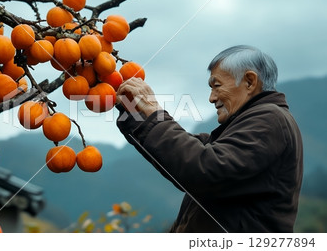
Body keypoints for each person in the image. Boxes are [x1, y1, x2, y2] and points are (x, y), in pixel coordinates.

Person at [116, 45, 303, 232]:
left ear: (250, 82)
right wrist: (134, 114)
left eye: (217, 86)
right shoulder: (244, 126)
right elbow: (184, 156)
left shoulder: (270, 119)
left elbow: (202, 168)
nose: (211, 98)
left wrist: (153, 111)